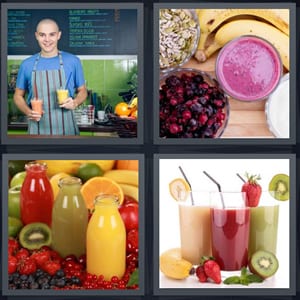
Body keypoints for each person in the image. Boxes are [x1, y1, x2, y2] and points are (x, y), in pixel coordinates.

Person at [14, 18, 87, 135]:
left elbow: (83, 90)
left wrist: (75, 102)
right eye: (42, 35)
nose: (47, 40)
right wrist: (28, 112)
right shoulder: (27, 64)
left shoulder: (73, 61)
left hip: (67, 129)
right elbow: (18, 95)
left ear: (59, 35)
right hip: (36, 129)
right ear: (36, 36)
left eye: (52, 35)